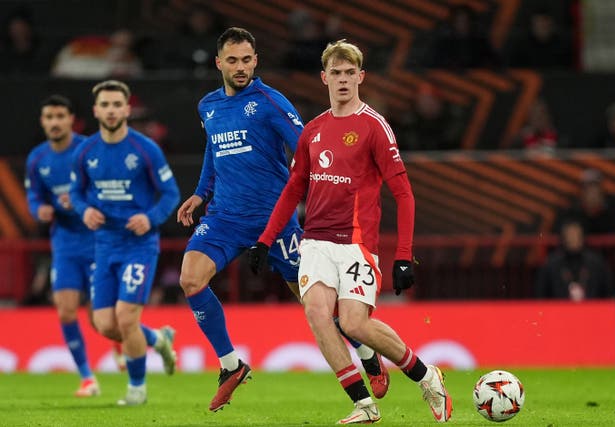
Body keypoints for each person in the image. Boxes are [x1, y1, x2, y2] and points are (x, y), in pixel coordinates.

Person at [176, 27, 388, 413]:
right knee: (190, 278)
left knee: (316, 306)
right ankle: (230, 365)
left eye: (247, 60)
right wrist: (201, 192)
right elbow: (213, 150)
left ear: (255, 61)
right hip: (224, 216)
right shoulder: (208, 105)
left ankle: (366, 352)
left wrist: (330, 189)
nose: (240, 67)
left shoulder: (270, 102)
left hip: (275, 221)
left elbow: (310, 145)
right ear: (218, 62)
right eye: (233, 60)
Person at [249, 39, 452, 424]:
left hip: (357, 243)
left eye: (349, 73)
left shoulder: (375, 127)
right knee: (317, 312)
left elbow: (404, 194)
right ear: (324, 78)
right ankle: (364, 404)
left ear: (361, 77)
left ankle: (426, 376)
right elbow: (294, 187)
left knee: (355, 323)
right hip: (316, 241)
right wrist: (264, 239)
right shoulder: (313, 130)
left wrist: (404, 254)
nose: (342, 80)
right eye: (335, 74)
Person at [69, 80, 180, 405]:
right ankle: (159, 338)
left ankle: (136, 390)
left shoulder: (145, 148)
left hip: (139, 245)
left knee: (126, 318)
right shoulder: (85, 151)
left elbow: (171, 193)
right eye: (105, 105)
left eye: (117, 104)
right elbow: (75, 192)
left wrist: (151, 217)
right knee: (104, 323)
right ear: (96, 111)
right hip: (103, 246)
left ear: (127, 109)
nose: (111, 110)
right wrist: (84, 209)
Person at [25, 94, 104, 396]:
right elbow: (34, 196)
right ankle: (87, 378)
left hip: (97, 242)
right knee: (66, 311)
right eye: (49, 117)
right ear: (43, 122)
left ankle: (149, 339)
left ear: (71, 119)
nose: (55, 122)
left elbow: (106, 189)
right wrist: (39, 210)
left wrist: (83, 201)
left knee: (102, 320)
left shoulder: (87, 150)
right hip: (66, 246)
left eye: (60, 116)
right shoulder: (37, 159)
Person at [535, 218, 615, 301]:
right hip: (559, 311)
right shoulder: (551, 264)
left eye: (576, 234)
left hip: (592, 310)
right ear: (564, 238)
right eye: (570, 235)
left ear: (582, 237)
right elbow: (541, 296)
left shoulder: (596, 263)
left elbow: (609, 293)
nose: (573, 238)